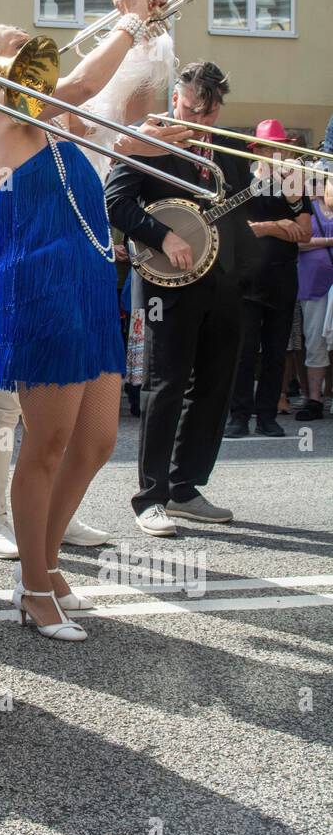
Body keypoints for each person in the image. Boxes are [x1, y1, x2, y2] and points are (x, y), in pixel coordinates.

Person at [0, 9, 163, 563]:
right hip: (41, 290)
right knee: (38, 436)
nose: (31, 49)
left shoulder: (51, 123)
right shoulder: (4, 119)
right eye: (13, 44)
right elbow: (87, 82)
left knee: (95, 443)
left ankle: (43, 547)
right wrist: (130, 22)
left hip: (88, 290)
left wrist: (148, 131)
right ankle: (35, 571)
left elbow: (103, 112)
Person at [105, 61, 256, 535]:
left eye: (209, 113)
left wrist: (273, 183)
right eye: (192, 108)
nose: (200, 120)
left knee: (214, 386)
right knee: (165, 384)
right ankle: (150, 497)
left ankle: (186, 486)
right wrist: (164, 235)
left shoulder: (229, 152)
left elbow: (244, 207)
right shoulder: (148, 144)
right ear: (176, 99)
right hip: (168, 285)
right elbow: (116, 201)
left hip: (224, 283)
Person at [226, 120, 311, 438]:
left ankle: (267, 415)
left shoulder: (294, 187)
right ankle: (239, 415)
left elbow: (303, 232)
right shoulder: (242, 183)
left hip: (282, 278)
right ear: (258, 150)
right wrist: (277, 225)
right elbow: (237, 229)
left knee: (276, 352)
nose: (278, 153)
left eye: (282, 147)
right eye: (272, 147)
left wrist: (269, 226)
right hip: (245, 280)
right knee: (244, 352)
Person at [295, 167, 333, 419]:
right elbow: (298, 241)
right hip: (313, 286)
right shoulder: (309, 209)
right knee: (315, 342)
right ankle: (314, 399)